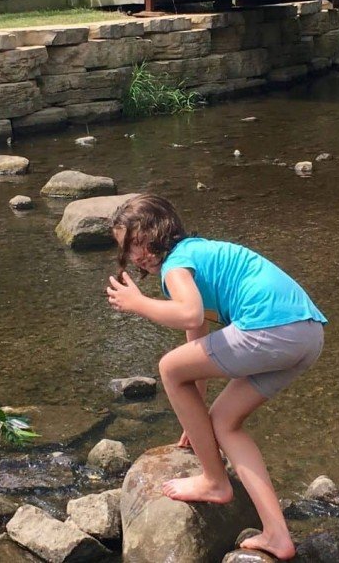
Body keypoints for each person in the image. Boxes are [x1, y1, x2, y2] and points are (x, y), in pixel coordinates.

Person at [106, 194, 326, 560]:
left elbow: (190, 315)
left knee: (168, 368)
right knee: (223, 421)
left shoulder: (176, 265)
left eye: (138, 241)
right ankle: (277, 535)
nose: (135, 254)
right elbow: (198, 340)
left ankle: (214, 481)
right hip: (307, 334)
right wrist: (196, 420)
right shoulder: (198, 254)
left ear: (160, 231)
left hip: (271, 327)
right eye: (126, 248)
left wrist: (138, 304)